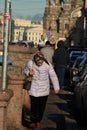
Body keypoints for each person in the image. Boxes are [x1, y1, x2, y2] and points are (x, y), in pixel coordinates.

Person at [23, 51, 60, 129]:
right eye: (38, 61)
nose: (40, 63)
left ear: (43, 59)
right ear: (35, 60)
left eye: (41, 61)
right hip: (33, 88)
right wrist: (29, 73)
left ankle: (38, 120)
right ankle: (33, 121)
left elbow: (53, 76)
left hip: (44, 89)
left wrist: (56, 87)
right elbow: (25, 71)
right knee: (33, 106)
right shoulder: (30, 63)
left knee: (41, 107)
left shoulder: (48, 65)